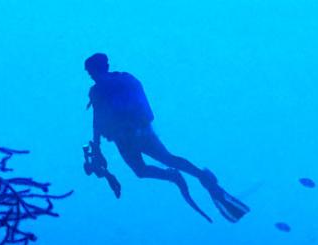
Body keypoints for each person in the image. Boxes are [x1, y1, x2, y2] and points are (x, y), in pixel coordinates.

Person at [84, 52, 248, 223]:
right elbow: (98, 119)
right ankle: (189, 176)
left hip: (134, 134)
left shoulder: (111, 85)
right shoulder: (114, 84)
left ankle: (191, 176)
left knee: (162, 161)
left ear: (100, 68)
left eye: (91, 71)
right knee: (149, 167)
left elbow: (99, 119)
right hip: (131, 135)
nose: (91, 75)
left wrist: (99, 145)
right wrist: (97, 145)